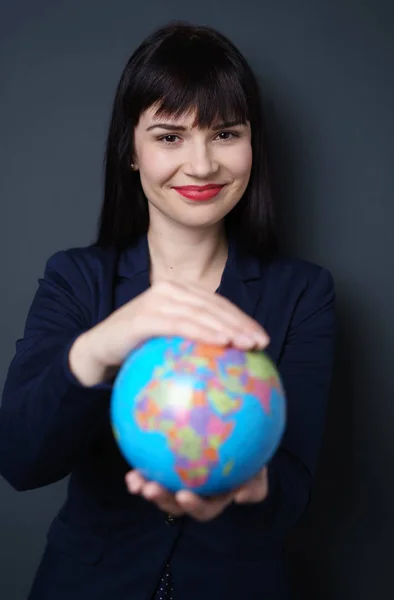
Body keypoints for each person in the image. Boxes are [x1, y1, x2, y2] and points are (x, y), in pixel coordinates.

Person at [0, 21, 336, 600]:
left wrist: (249, 487)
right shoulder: (77, 279)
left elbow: (295, 489)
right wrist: (101, 344)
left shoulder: (302, 293)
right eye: (170, 136)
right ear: (131, 151)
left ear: (252, 145)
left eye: (225, 133)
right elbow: (21, 460)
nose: (202, 166)